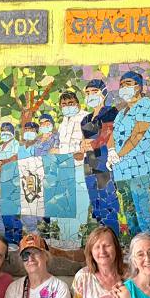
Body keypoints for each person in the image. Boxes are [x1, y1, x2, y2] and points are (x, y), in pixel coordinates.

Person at [110, 71, 150, 236]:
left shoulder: (146, 105)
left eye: (128, 83)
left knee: (143, 210)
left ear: (139, 86)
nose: (124, 87)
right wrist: (110, 152)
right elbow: (112, 136)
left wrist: (119, 154)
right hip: (121, 171)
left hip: (140, 169)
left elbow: (138, 134)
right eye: (122, 84)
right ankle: (136, 243)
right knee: (129, 213)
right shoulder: (121, 113)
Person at [80, 79, 120, 232]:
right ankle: (102, 232)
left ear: (103, 94)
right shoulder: (85, 119)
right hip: (89, 162)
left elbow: (107, 134)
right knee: (94, 199)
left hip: (103, 160)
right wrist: (82, 145)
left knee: (107, 197)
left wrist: (90, 143)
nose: (91, 95)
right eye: (88, 93)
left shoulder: (111, 111)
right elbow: (84, 140)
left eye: (94, 92)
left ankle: (113, 234)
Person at [54, 91, 91, 249]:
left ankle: (75, 242)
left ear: (78, 103)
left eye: (70, 103)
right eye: (64, 104)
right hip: (63, 169)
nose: (67, 107)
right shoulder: (62, 123)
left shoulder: (86, 118)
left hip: (80, 168)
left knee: (80, 205)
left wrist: (82, 152)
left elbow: (90, 142)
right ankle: (64, 241)